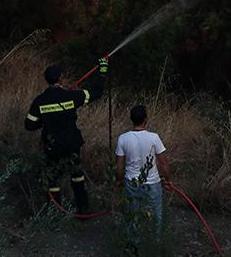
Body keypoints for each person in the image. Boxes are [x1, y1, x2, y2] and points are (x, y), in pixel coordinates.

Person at [24, 58, 108, 214]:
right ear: (60, 78)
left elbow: (29, 125)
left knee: (52, 180)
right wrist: (102, 71)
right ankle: (83, 210)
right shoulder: (71, 96)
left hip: (52, 147)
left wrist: (46, 122)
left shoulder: (40, 101)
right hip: (71, 145)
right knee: (77, 176)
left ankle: (54, 214)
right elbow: (97, 92)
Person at [115, 105, 173, 230]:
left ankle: (134, 244)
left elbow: (119, 165)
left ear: (131, 119)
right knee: (156, 215)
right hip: (153, 183)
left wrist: (119, 181)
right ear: (145, 120)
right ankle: (155, 242)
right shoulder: (154, 137)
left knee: (133, 215)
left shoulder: (123, 138)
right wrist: (168, 181)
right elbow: (164, 163)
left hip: (131, 183)